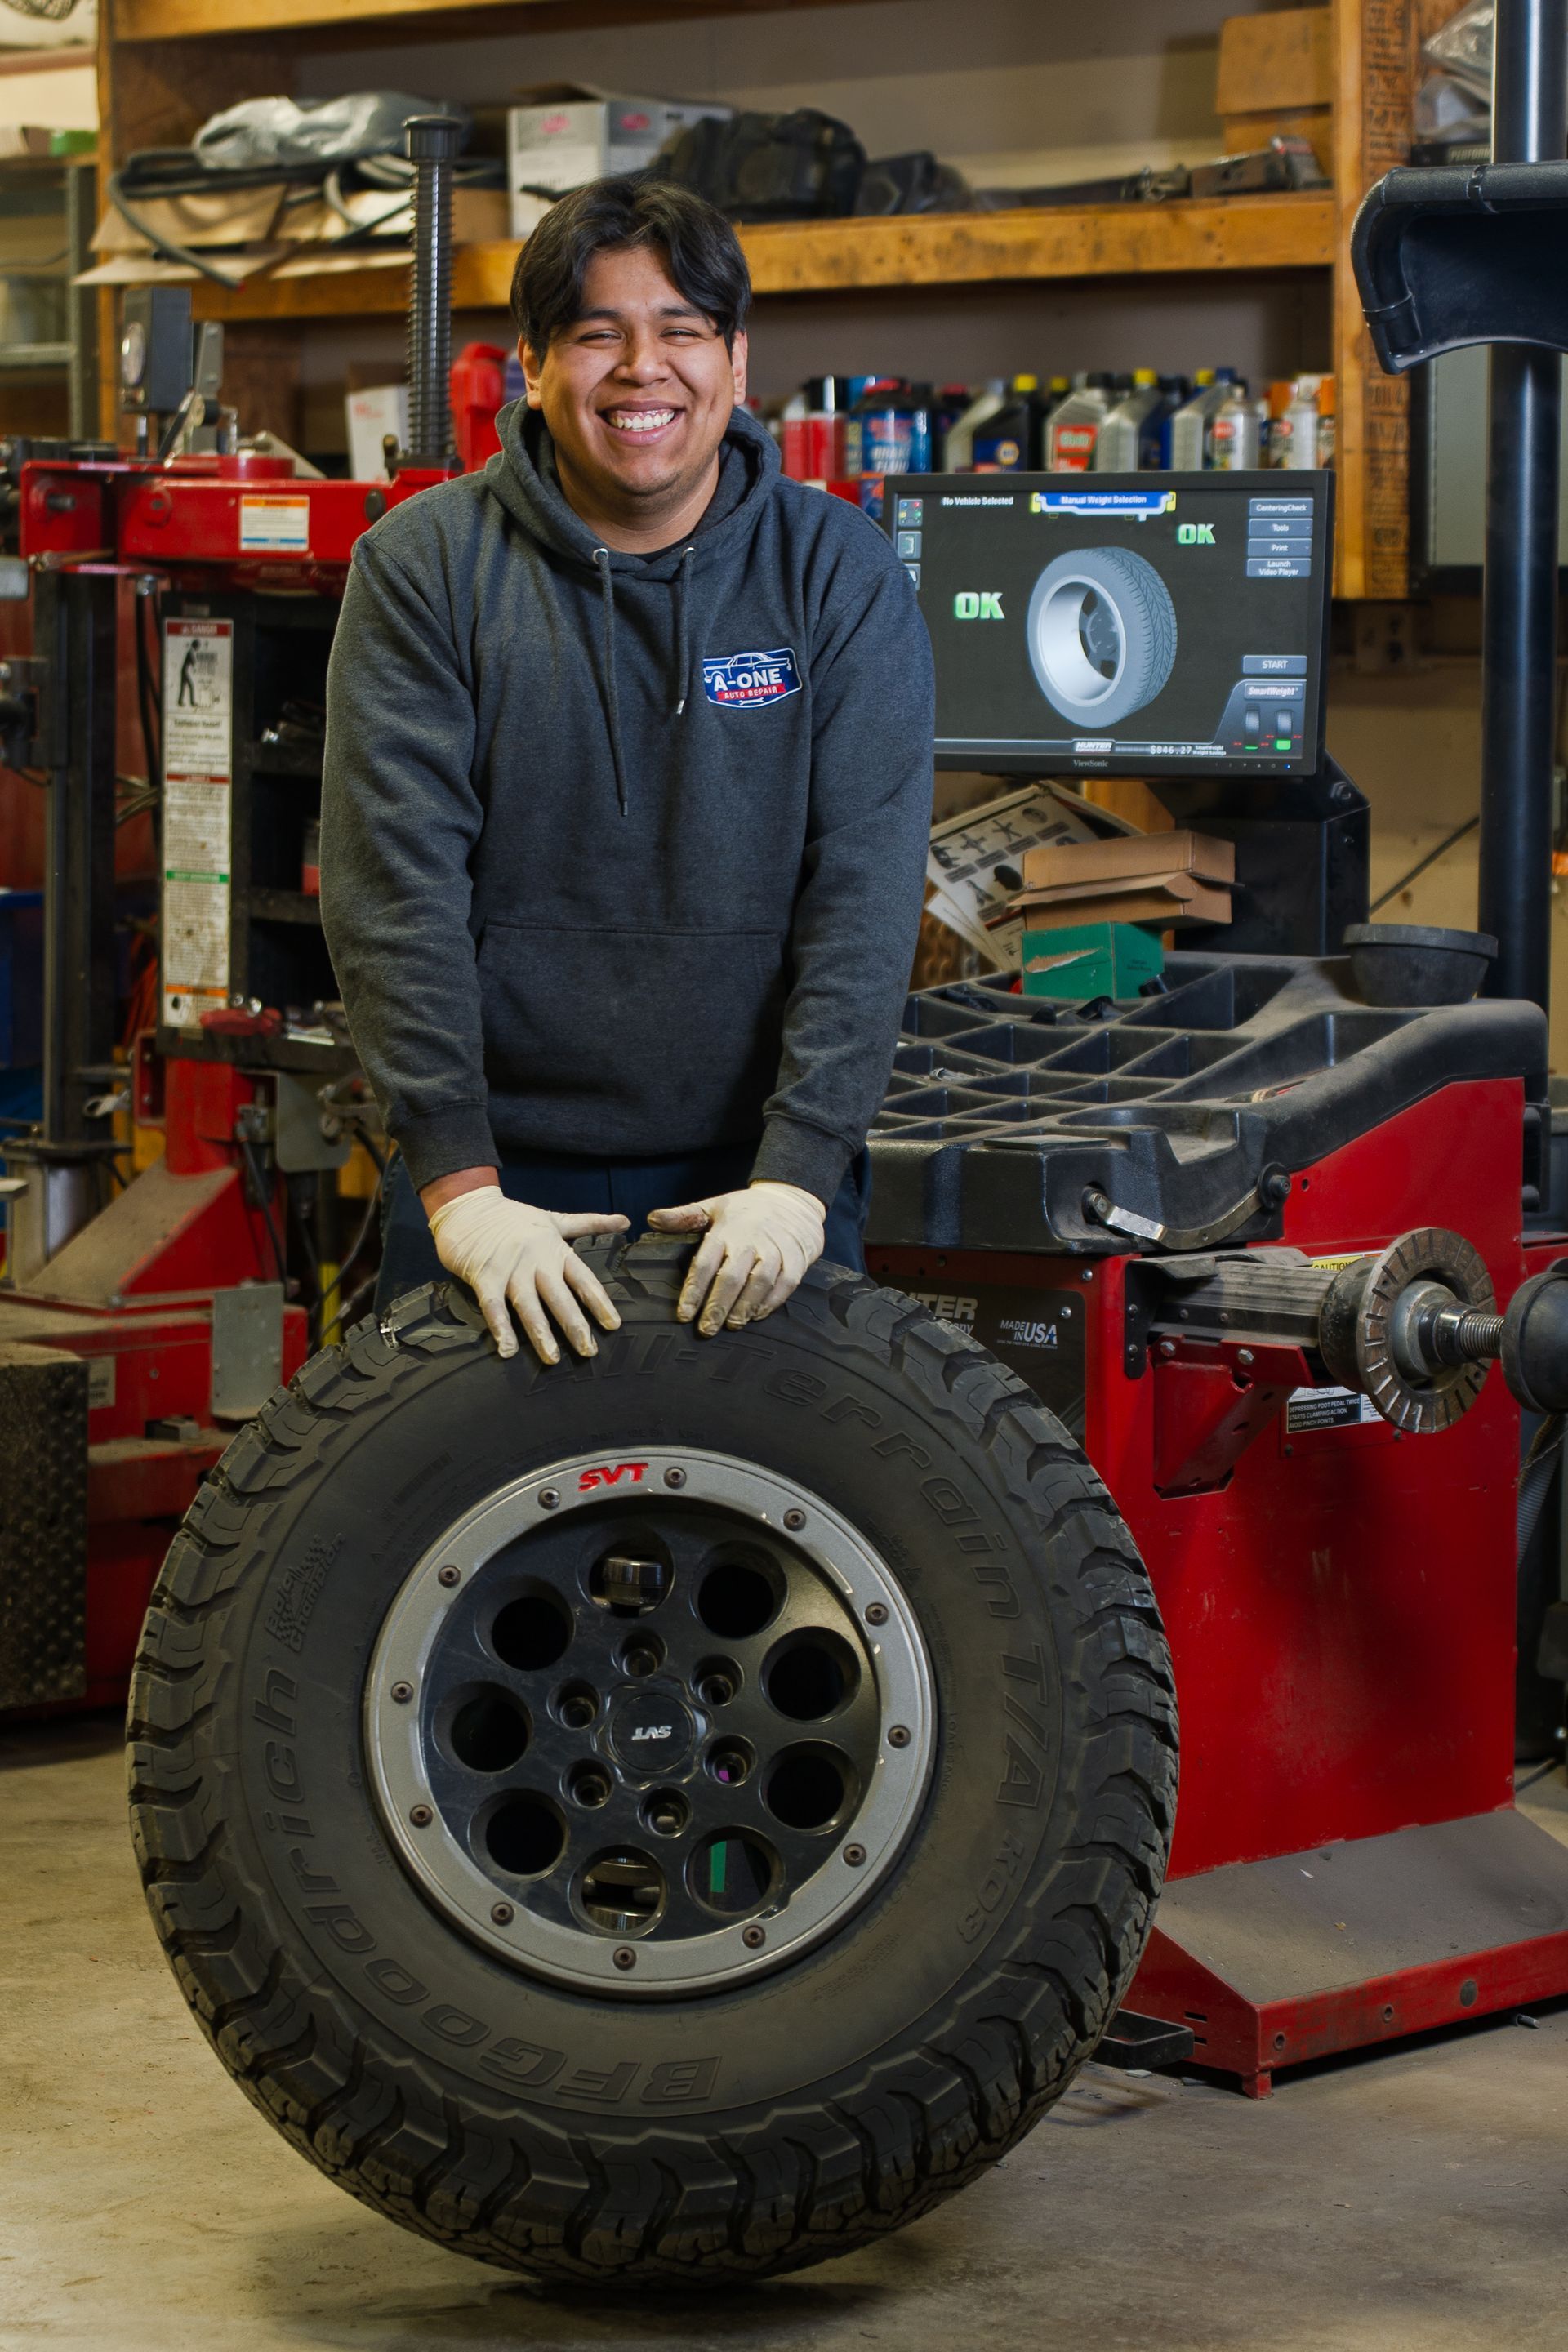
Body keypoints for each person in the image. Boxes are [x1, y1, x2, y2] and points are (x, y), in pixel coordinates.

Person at [320, 173, 933, 1365]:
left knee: (791, 1531)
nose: (643, 370)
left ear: (737, 364)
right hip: (499, 1186)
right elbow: (396, 895)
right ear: (534, 367)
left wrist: (801, 1175)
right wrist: (460, 1188)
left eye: (683, 333)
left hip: (754, 1184)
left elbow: (864, 892)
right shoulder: (422, 568)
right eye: (599, 333)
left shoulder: (839, 573)